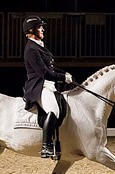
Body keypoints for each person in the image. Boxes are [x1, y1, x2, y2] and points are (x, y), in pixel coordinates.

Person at [22, 15, 73, 158]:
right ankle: (46, 146)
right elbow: (44, 73)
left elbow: (51, 69)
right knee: (53, 111)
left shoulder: (40, 46)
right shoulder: (31, 49)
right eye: (39, 27)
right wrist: (62, 77)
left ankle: (59, 144)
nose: (43, 29)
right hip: (39, 87)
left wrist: (65, 74)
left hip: (50, 86)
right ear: (31, 30)